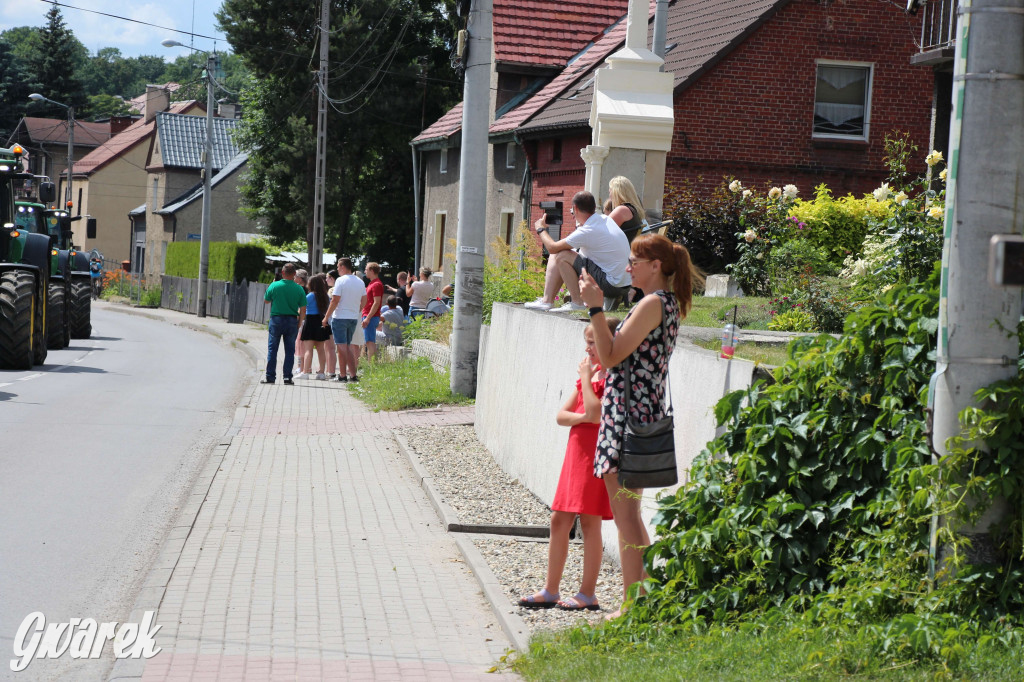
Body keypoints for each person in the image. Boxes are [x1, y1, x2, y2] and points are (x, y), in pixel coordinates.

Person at [579, 233, 702, 620]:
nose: (628, 265)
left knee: (627, 516)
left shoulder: (652, 303)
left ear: (656, 266)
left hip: (629, 417)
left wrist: (596, 310)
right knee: (627, 515)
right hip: (635, 413)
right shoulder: (659, 303)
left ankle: (634, 605)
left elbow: (611, 356)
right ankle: (642, 599)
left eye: (635, 259)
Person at [517, 316, 617, 612]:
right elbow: (562, 416)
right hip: (576, 454)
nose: (587, 348)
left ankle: (588, 593)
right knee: (559, 519)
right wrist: (584, 416)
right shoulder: (592, 373)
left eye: (592, 342)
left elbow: (597, 412)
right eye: (586, 342)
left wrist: (587, 383)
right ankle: (551, 588)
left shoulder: (608, 376)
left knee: (589, 521)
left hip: (596, 455)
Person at [526, 190, 631, 313]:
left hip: (611, 286)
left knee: (562, 255)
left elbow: (552, 247)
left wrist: (540, 229)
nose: (572, 215)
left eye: (572, 211)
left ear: (575, 208)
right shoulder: (605, 220)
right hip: (625, 285)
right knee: (563, 252)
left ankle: (576, 302)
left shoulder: (588, 230)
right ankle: (547, 300)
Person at [322, 257, 366, 382]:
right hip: (352, 318)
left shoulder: (340, 281)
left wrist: (326, 317)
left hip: (340, 317)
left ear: (342, 267)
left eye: (337, 267)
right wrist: (356, 310)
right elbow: (364, 300)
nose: (337, 269)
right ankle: (346, 375)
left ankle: (349, 375)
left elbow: (335, 300)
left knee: (343, 348)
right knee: (345, 346)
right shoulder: (360, 281)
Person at [262, 262, 307, 385]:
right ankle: (287, 377)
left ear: (282, 273)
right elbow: (303, 309)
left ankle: (270, 377)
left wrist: (272, 284)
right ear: (294, 274)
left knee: (273, 349)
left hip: (276, 320)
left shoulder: (275, 285)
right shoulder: (299, 289)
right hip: (292, 320)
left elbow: (266, 301)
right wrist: (300, 322)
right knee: (290, 350)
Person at [297, 273, 332, 380]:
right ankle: (321, 372)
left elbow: (301, 308)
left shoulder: (309, 296)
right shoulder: (326, 296)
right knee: (321, 349)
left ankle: (305, 372)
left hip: (310, 321)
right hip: (321, 321)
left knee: (308, 349)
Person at [606, 176, 648, 244]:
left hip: (619, 251)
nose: (609, 196)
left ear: (616, 192)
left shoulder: (622, 210)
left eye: (609, 192)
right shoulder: (633, 209)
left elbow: (602, 230)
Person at [361, 262, 384, 359]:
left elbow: (376, 302)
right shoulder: (372, 283)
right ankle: (371, 365)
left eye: (366, 269)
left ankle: (372, 367)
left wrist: (368, 318)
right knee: (368, 341)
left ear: (372, 271)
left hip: (370, 316)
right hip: (368, 315)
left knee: (370, 342)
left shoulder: (376, 284)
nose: (365, 271)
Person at [293, 268, 309, 375]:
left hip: (302, 318)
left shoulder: (300, 289)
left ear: (299, 278)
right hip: (306, 318)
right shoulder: (308, 289)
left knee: (300, 344)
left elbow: (300, 305)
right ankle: (304, 366)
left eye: (295, 277)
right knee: (302, 344)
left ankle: (301, 367)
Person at [324, 270, 339, 378]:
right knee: (329, 347)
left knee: (330, 347)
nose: (326, 280)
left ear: (332, 278)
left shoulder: (332, 290)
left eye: (327, 277)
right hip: (333, 319)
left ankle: (331, 371)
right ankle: (330, 370)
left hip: (331, 320)